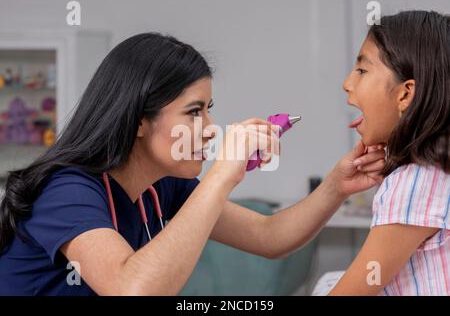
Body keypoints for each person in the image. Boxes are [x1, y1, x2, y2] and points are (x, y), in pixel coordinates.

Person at [0, 33, 385, 295]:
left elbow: (269, 237)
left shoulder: (161, 186)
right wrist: (220, 174)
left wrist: (337, 185)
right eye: (194, 112)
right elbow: (130, 289)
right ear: (137, 122)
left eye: (208, 110)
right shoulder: (66, 190)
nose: (210, 128)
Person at [330, 10, 450, 296]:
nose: (347, 83)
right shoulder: (436, 173)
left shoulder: (413, 183)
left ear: (406, 95)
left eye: (361, 70)